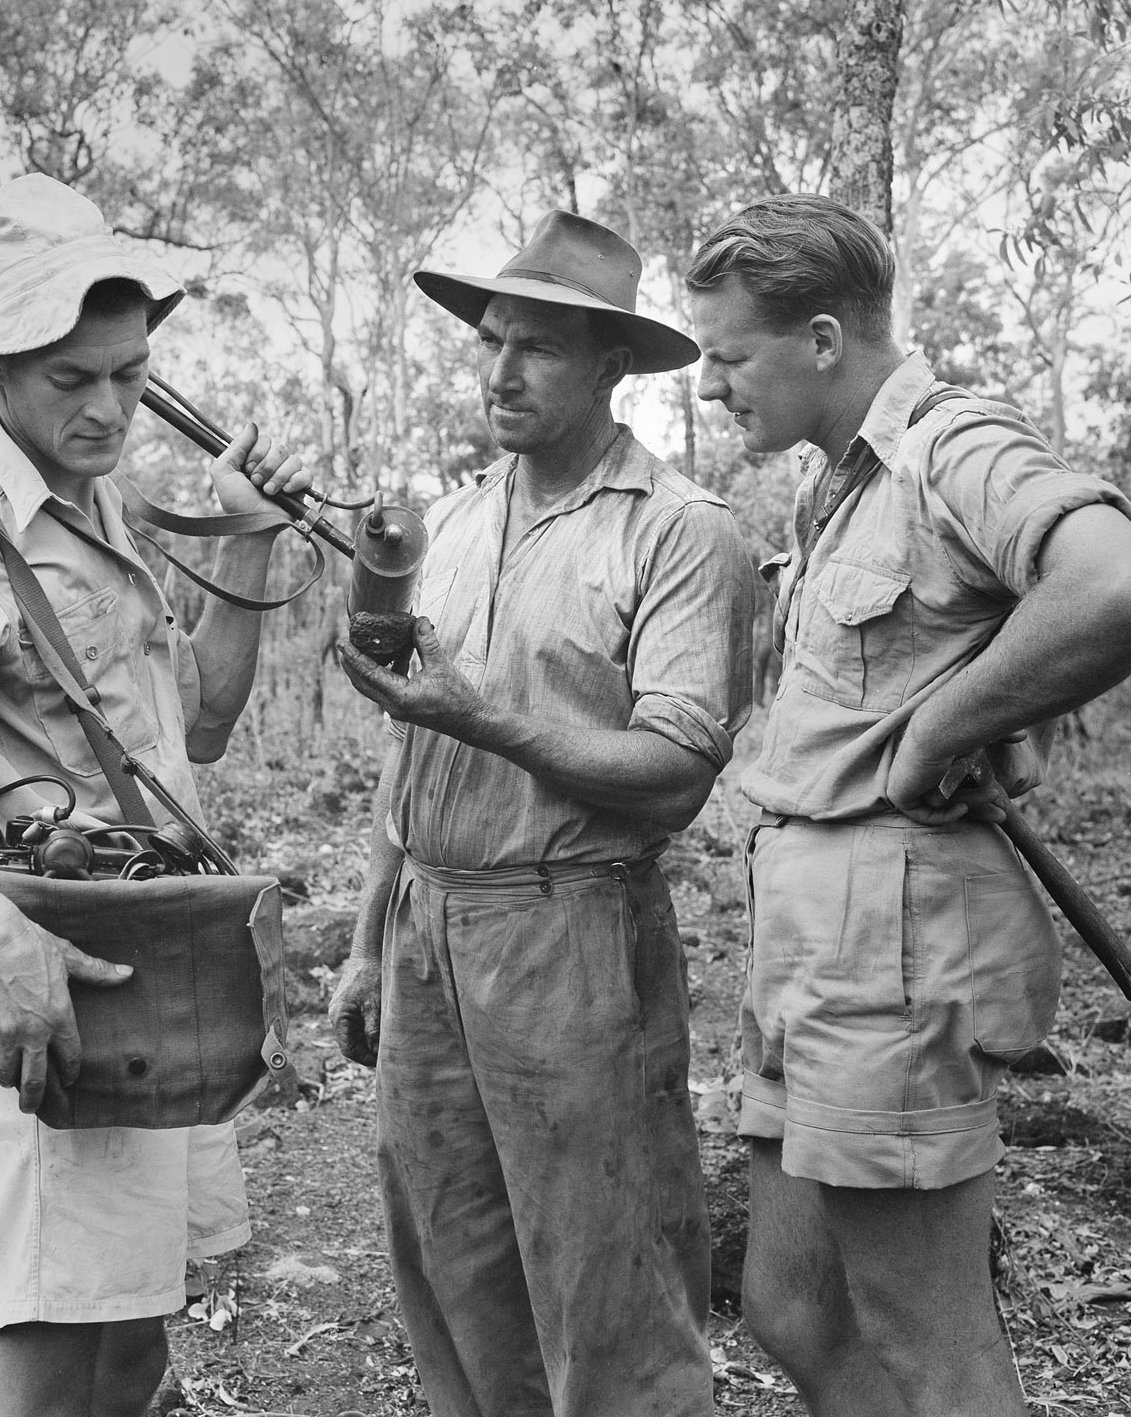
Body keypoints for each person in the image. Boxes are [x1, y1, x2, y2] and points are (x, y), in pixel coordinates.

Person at [0, 174, 310, 1417]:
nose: (109, 407)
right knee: (37, 1371)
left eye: (127, 374)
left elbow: (194, 727)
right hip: (40, 1013)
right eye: (69, 380)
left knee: (129, 1354)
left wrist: (242, 542)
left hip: (148, 994)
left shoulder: (103, 519)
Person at [687, 195, 1131, 1417]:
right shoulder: (838, 491)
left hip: (887, 947)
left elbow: (1118, 585)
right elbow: (970, 630)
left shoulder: (946, 443)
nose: (707, 387)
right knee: (789, 1305)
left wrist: (949, 726)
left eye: (725, 356)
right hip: (815, 943)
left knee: (929, 1342)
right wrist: (998, 700)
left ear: (818, 339)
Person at [328, 211, 755, 1417]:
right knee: (447, 1252)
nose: (501, 372)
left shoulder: (678, 532)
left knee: (603, 1265)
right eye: (490, 342)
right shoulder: (446, 523)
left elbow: (674, 769)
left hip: (570, 931)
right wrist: (366, 943)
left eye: (539, 350)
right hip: (427, 934)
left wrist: (490, 719)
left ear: (612, 366)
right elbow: (411, 743)